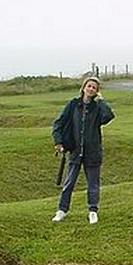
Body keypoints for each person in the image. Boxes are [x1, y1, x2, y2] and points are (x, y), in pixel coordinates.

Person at [51, 76, 115, 224]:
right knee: (69, 183)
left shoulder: (98, 107)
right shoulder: (73, 104)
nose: (91, 89)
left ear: (96, 91)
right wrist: (58, 142)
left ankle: (93, 211)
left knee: (93, 184)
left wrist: (101, 101)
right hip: (75, 151)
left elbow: (109, 116)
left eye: (94, 88)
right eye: (89, 86)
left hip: (92, 152)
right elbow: (58, 123)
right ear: (84, 87)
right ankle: (62, 210)